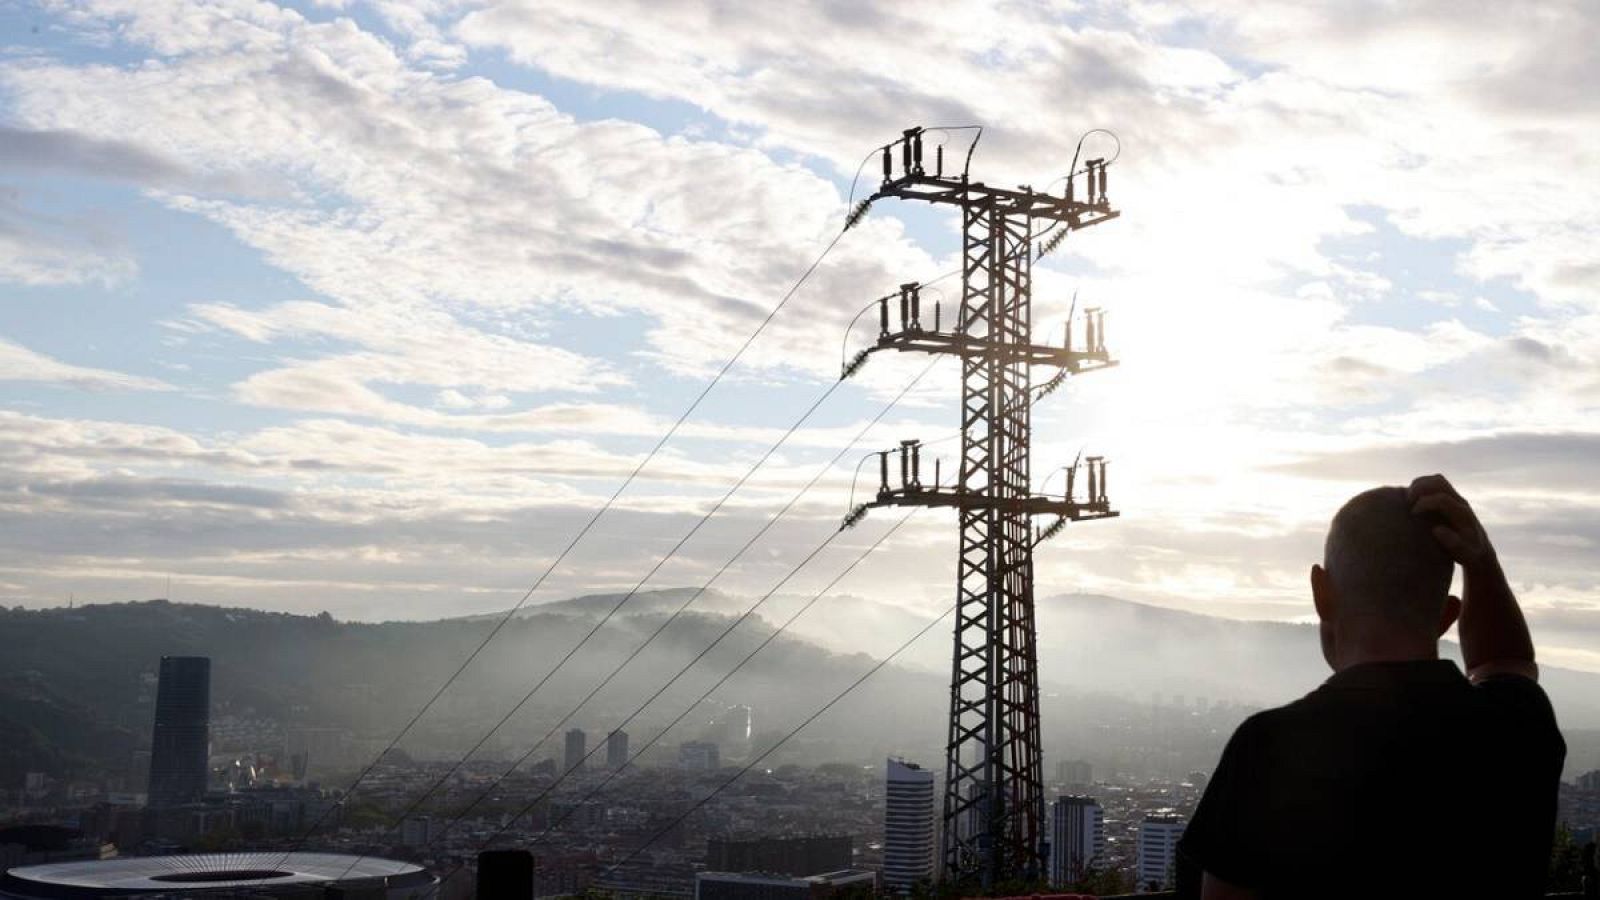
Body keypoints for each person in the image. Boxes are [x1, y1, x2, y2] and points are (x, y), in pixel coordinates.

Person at [1176, 475, 1566, 899]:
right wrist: (1481, 560)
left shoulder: (1270, 748)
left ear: (1321, 594)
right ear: (1447, 617)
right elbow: (1506, 660)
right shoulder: (1517, 728)